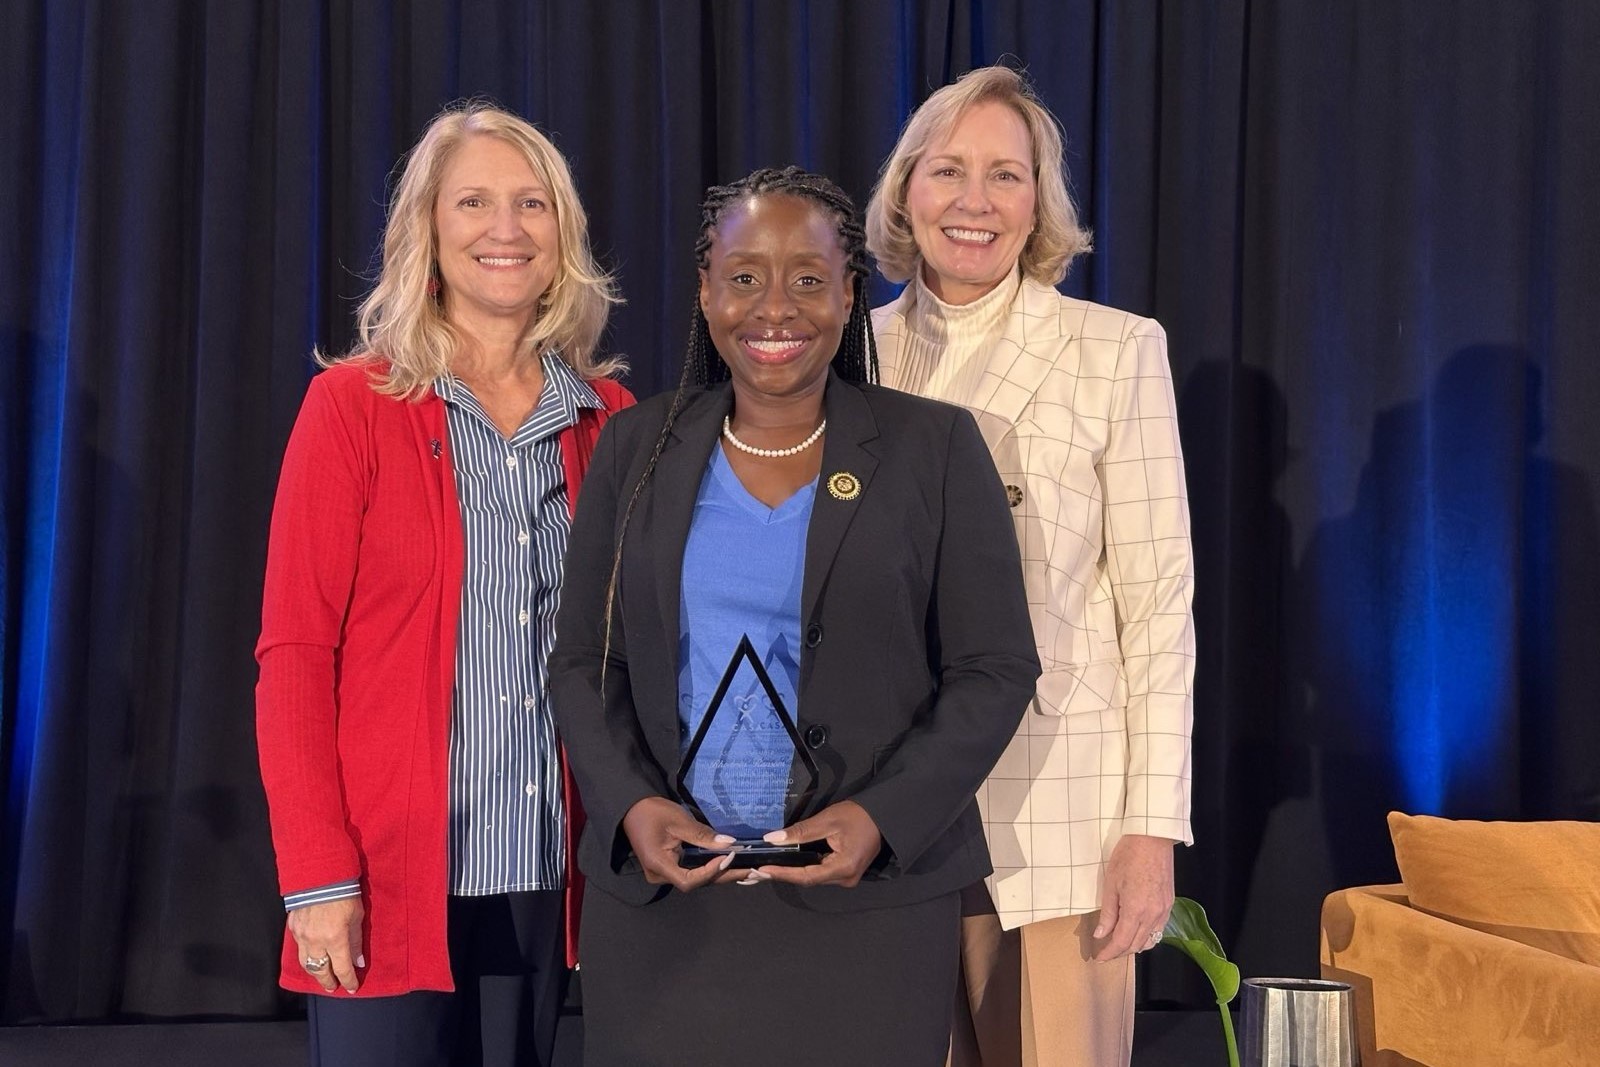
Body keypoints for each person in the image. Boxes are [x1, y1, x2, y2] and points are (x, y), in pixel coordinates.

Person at [546, 166, 1041, 1067]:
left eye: (808, 278)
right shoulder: (634, 446)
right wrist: (630, 806)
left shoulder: (934, 450)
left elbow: (996, 668)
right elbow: (583, 660)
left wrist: (883, 818)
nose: (775, 307)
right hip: (668, 917)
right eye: (744, 277)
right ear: (705, 292)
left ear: (851, 294)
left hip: (868, 920)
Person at [255, 102, 633, 1067]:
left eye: (532, 204)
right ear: (426, 229)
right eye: (473, 202)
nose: (505, 229)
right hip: (385, 879)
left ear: (565, 236)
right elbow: (295, 657)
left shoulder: (612, 418)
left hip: (549, 869)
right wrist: (316, 876)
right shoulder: (352, 407)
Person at [866, 66, 1196, 1067]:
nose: (974, 200)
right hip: (887, 804)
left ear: (1038, 205)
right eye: (949, 170)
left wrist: (1150, 829)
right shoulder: (845, 353)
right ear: (904, 191)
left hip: (1060, 807)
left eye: (1005, 176)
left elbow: (1158, 599)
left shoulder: (1114, 350)